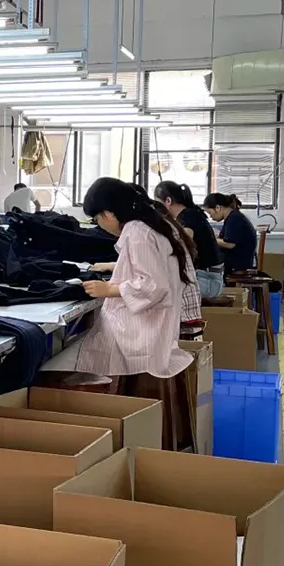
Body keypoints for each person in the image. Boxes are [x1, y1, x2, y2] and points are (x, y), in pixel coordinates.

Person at [74, 178, 197, 448]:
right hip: (157, 326)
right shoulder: (152, 225)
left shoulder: (137, 232)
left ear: (108, 213)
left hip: (144, 332)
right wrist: (115, 272)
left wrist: (109, 290)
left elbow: (153, 286)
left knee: (70, 354)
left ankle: (94, 434)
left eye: (97, 219)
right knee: (86, 343)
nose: (100, 225)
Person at [156, 181, 224, 298]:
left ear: (168, 201)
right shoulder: (191, 213)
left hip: (207, 281)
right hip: (208, 278)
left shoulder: (187, 217)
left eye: (158, 204)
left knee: (158, 292)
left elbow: (180, 246)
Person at [203, 193, 259, 274]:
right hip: (239, 260)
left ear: (217, 208)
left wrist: (210, 238)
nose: (210, 216)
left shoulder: (234, 218)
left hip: (239, 264)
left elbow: (229, 244)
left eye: (210, 213)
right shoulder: (233, 216)